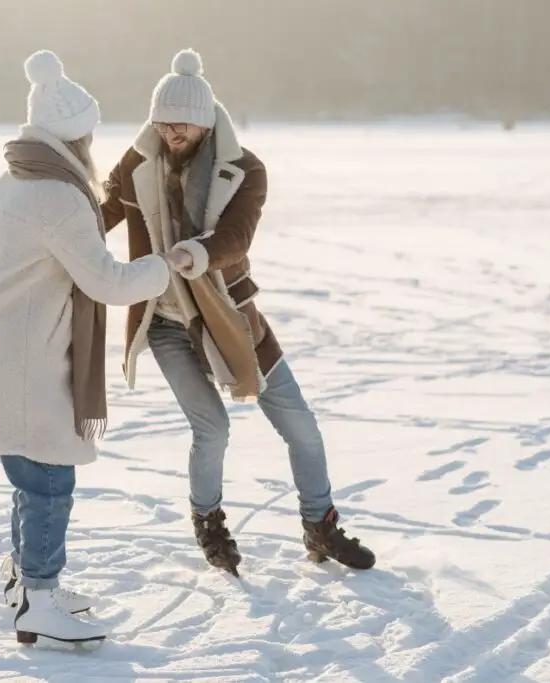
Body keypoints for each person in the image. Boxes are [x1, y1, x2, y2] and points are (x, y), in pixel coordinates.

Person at [100, 48, 375, 577]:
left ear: (204, 122)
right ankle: (209, 522)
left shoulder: (245, 169)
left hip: (231, 316)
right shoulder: (138, 162)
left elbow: (235, 235)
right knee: (212, 429)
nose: (168, 131)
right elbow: (100, 213)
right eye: (160, 121)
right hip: (164, 322)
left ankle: (320, 524)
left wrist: (194, 254)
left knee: (301, 427)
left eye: (179, 123)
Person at [0, 49, 170, 647]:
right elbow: (104, 281)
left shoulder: (11, 183)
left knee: (30, 474)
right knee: (49, 480)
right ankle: (40, 599)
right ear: (73, 137)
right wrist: (160, 267)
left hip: (3, 343)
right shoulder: (58, 196)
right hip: (29, 353)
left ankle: (26, 583)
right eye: (88, 134)